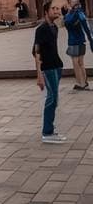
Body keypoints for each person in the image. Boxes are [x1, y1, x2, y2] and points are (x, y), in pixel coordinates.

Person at [35, 8, 67, 144]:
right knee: (51, 98)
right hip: (47, 68)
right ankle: (47, 132)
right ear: (46, 12)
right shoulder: (41, 29)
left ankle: (50, 128)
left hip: (56, 66)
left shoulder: (54, 28)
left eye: (57, 9)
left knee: (55, 99)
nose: (57, 11)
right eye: (53, 9)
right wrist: (39, 75)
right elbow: (36, 52)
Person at [63, 0, 91, 91]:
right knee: (81, 63)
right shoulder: (80, 13)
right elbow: (86, 28)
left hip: (73, 41)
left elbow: (66, 23)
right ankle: (85, 82)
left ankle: (80, 83)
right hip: (80, 40)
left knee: (76, 63)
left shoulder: (71, 15)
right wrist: (90, 39)